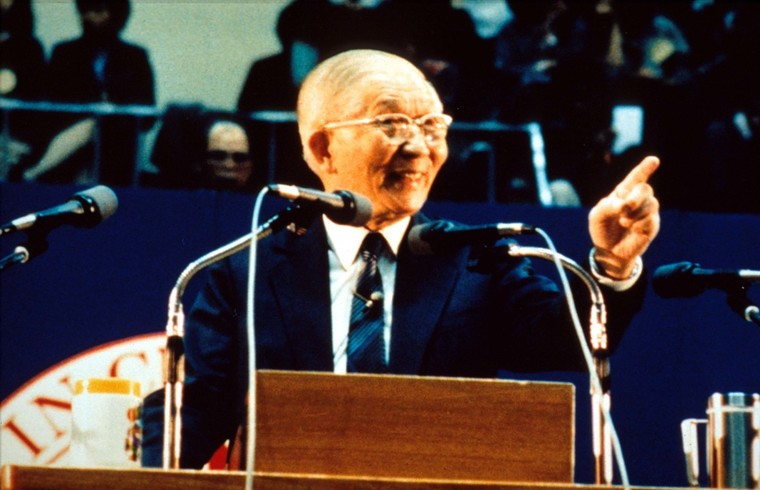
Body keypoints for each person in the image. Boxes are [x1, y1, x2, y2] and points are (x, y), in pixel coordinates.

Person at [141, 49, 661, 469]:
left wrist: (612, 265)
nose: (418, 147)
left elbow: (571, 341)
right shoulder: (245, 274)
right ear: (322, 149)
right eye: (391, 122)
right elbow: (191, 415)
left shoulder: (475, 261)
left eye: (432, 125)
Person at [22, 0, 155, 186]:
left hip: (116, 143)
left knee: (98, 131)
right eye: (84, 10)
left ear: (116, 14)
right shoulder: (64, 53)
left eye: (97, 10)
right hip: (69, 136)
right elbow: (50, 103)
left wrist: (112, 111)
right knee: (90, 128)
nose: (88, 17)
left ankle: (33, 172)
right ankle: (35, 173)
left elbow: (148, 114)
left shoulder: (135, 57)